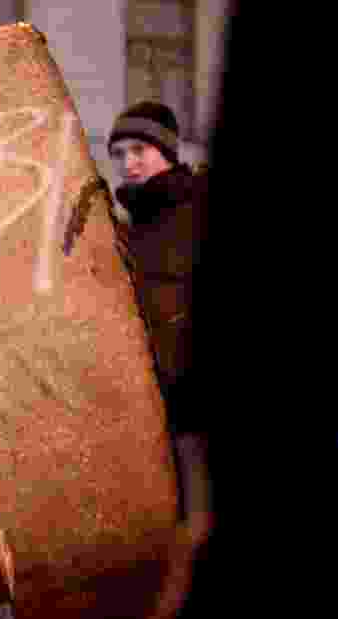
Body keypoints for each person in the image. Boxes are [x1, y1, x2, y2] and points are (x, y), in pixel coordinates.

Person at [108, 101, 205, 434]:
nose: (128, 163)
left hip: (192, 398)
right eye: (118, 154)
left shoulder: (196, 209)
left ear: (166, 150)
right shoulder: (134, 222)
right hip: (149, 395)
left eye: (139, 149)